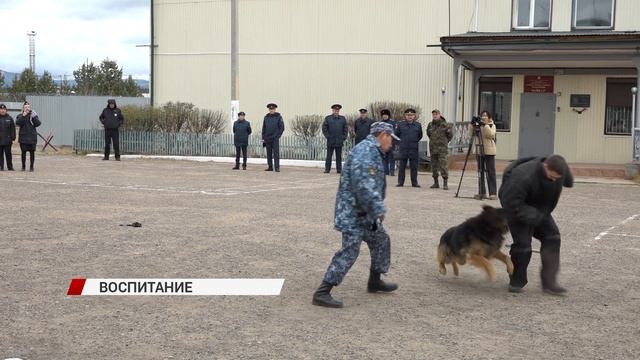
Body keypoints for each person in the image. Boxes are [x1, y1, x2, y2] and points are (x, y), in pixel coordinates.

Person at [312, 122, 400, 308]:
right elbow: (363, 185)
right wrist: (378, 208)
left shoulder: (372, 150)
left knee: (381, 240)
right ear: (383, 135)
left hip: (364, 214)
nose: (391, 143)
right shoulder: (365, 152)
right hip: (353, 213)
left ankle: (374, 281)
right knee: (350, 251)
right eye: (391, 139)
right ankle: (322, 292)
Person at [498, 154, 573, 295]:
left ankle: (550, 283)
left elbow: (567, 180)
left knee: (553, 237)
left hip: (540, 210)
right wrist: (533, 216)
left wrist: (567, 178)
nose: (554, 180)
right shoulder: (522, 176)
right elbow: (509, 202)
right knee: (523, 246)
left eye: (558, 178)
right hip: (517, 211)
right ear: (545, 166)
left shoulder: (558, 170)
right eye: (552, 176)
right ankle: (516, 280)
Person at [472, 111, 498, 200]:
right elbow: (471, 134)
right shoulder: (479, 125)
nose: (484, 117)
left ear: (489, 117)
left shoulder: (492, 125)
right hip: (480, 151)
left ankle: (493, 193)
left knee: (491, 172)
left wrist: (486, 125)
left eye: (486, 115)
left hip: (489, 151)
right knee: (480, 171)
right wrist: (472, 125)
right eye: (482, 115)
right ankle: (482, 192)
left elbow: (491, 135)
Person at [395, 108, 423, 187]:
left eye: (411, 115)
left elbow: (420, 136)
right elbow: (396, 135)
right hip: (403, 149)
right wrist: (400, 143)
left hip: (413, 149)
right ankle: (400, 182)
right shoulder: (400, 125)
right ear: (405, 116)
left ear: (414, 116)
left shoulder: (418, 125)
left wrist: (413, 142)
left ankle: (414, 182)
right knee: (402, 167)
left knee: (414, 167)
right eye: (408, 115)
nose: (409, 117)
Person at [426, 109, 452, 190]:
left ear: (440, 115)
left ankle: (445, 183)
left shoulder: (445, 124)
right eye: (433, 114)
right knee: (434, 166)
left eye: (436, 114)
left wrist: (444, 142)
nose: (435, 116)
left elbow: (450, 135)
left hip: (442, 149)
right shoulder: (430, 125)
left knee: (443, 166)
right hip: (433, 148)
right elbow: (429, 134)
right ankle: (436, 183)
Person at [15, 101, 41, 172]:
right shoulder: (20, 115)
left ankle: (31, 167)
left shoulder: (33, 115)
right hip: (23, 138)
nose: (27, 108)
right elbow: (17, 123)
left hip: (32, 137)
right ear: (23, 108)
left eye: (28, 107)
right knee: (23, 152)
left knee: (32, 153)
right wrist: (23, 115)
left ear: (30, 108)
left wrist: (34, 117)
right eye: (25, 107)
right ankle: (23, 166)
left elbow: (38, 124)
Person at [322, 104, 348, 173]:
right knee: (329, 156)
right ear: (332, 110)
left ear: (339, 111)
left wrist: (343, 137)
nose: (336, 111)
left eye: (337, 110)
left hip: (339, 141)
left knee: (339, 157)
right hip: (331, 141)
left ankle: (339, 169)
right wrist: (328, 137)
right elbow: (324, 128)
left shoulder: (342, 119)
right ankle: (327, 169)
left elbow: (345, 129)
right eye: (335, 110)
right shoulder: (328, 118)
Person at [262, 103, 285, 172]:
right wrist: (263, 138)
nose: (271, 110)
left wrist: (277, 136)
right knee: (268, 153)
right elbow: (264, 128)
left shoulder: (278, 117)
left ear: (275, 109)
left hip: (275, 138)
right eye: (270, 109)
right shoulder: (266, 117)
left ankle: (277, 167)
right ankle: (270, 167)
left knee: (276, 153)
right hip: (267, 138)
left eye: (273, 109)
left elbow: (282, 128)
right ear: (269, 109)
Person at [380, 109, 396, 176]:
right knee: (384, 158)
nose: (384, 116)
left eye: (386, 115)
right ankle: (386, 172)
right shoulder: (380, 123)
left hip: (391, 142)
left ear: (388, 115)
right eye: (383, 115)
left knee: (392, 158)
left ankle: (392, 172)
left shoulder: (393, 123)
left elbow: (395, 132)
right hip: (383, 143)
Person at [0, 103, 16, 171]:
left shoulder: (10, 118)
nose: (2, 110)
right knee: (0, 155)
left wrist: (13, 137)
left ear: (6, 110)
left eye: (4, 109)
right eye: (1, 109)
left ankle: (10, 167)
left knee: (8, 154)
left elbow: (13, 128)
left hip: (8, 140)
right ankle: (1, 167)